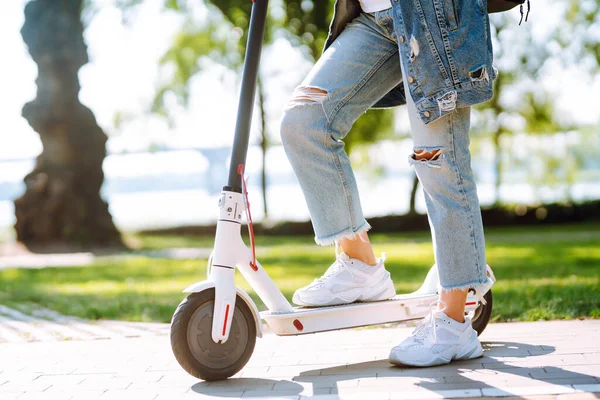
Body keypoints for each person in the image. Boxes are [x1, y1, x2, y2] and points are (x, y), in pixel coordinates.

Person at [280, 0, 495, 367]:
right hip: (371, 19)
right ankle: (360, 265)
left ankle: (454, 321)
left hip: (431, 15)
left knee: (439, 161)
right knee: (304, 122)